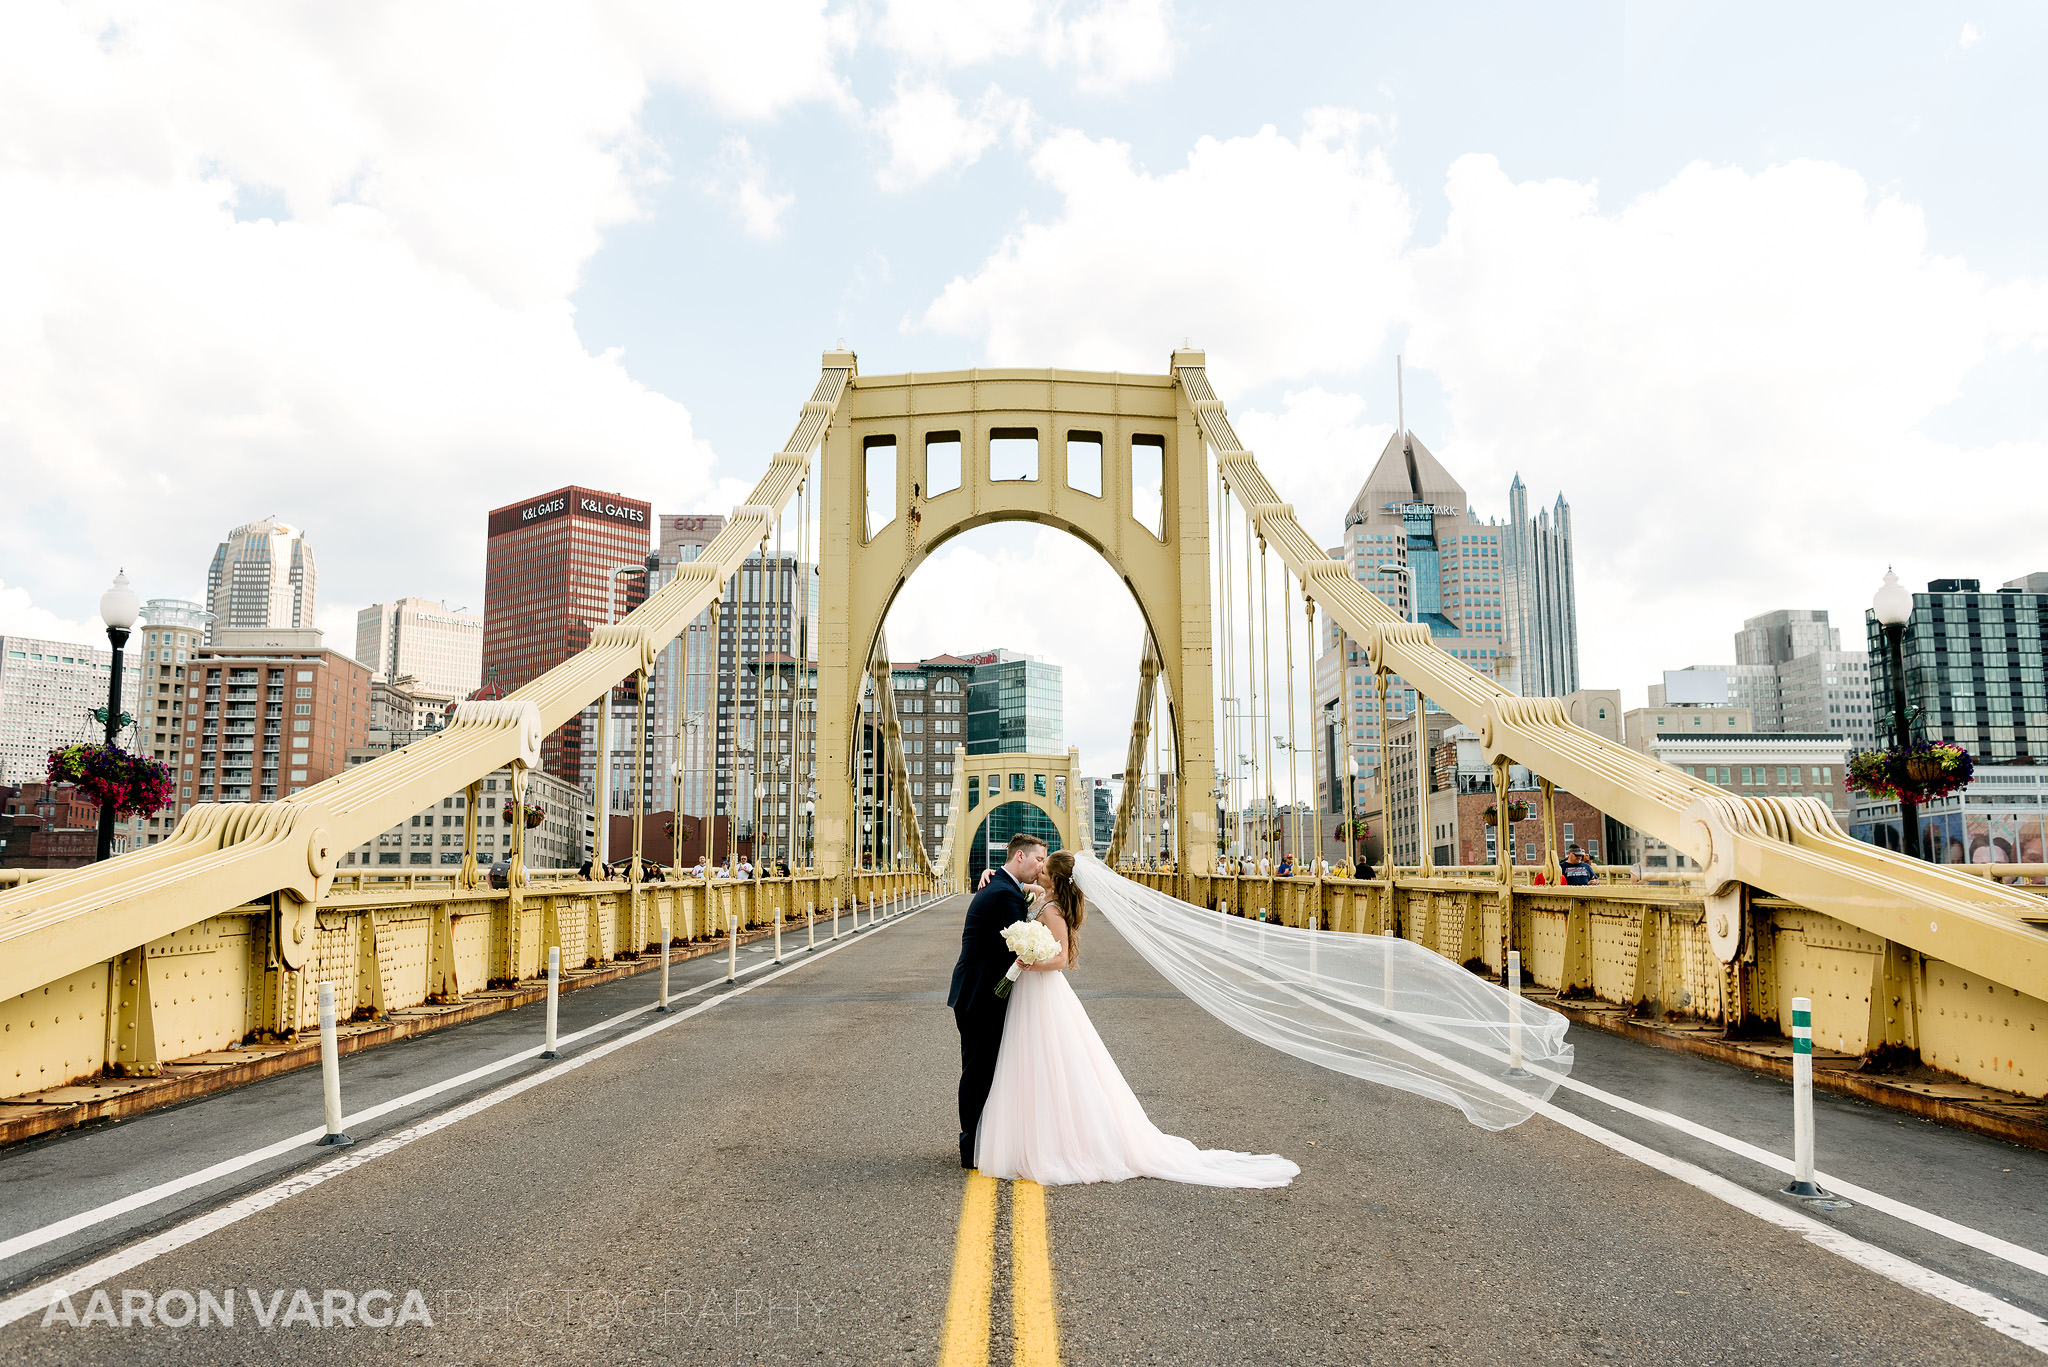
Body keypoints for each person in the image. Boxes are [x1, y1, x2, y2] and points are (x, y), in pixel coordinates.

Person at [972, 850, 1299, 1189]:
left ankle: (1054, 1141)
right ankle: (1035, 1134)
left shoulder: (1053, 911)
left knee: (1052, 1064)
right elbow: (1017, 889)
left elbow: (1061, 959)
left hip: (1042, 989)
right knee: (1035, 1062)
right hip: (1033, 993)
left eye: (1044, 868)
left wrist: (1028, 962)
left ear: (1054, 879)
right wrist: (989, 874)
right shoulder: (1044, 898)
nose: (1038, 870)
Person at [950, 833, 1049, 1169]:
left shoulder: (1003, 887)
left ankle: (981, 1142)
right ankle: (972, 1148)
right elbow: (1021, 942)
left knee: (984, 1070)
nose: (1041, 868)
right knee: (979, 1073)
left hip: (977, 992)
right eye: (1038, 860)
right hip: (982, 996)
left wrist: (1035, 891)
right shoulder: (1004, 895)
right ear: (1019, 856)